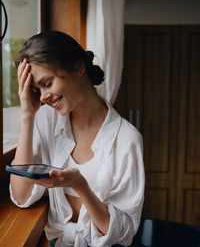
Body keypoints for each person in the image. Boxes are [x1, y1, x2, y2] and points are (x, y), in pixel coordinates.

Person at [10, 30, 145, 247]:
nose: (43, 96)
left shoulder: (127, 139)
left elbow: (123, 233)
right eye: (36, 89)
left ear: (79, 67)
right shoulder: (45, 119)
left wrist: (81, 185)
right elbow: (22, 196)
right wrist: (27, 115)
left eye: (47, 83)